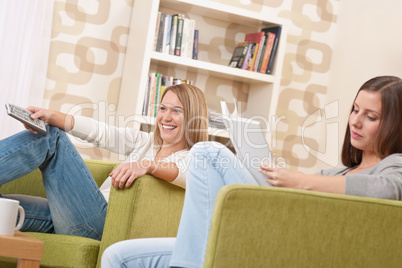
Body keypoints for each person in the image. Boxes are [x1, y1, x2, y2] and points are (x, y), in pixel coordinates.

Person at [101, 75, 402, 267]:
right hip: (257, 223)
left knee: (206, 150)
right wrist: (270, 173)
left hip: (282, 244)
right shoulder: (336, 174)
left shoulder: (394, 168)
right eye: (355, 110)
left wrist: (297, 180)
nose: (355, 121)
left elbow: (385, 190)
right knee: (117, 255)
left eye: (371, 116)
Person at [0, 84, 209, 240]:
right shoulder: (145, 142)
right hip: (80, 217)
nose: (166, 117)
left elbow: (184, 173)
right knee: (4, 209)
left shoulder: (197, 159)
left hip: (102, 226)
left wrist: (149, 165)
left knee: (51, 138)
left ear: (193, 117)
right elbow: (102, 133)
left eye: (177, 111)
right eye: (163, 108)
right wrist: (52, 115)